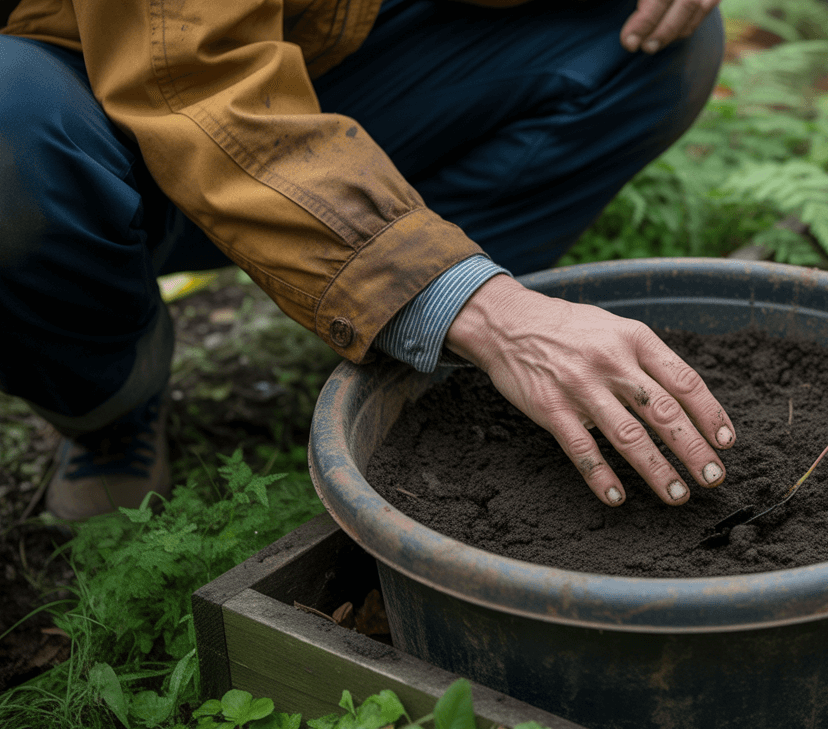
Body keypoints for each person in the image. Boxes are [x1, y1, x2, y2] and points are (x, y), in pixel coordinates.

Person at [0, 0, 736, 521]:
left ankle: (412, 330)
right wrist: (492, 313)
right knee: (9, 129)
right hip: (95, 112)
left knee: (641, 31)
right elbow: (192, 78)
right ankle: (112, 408)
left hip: (313, 49)